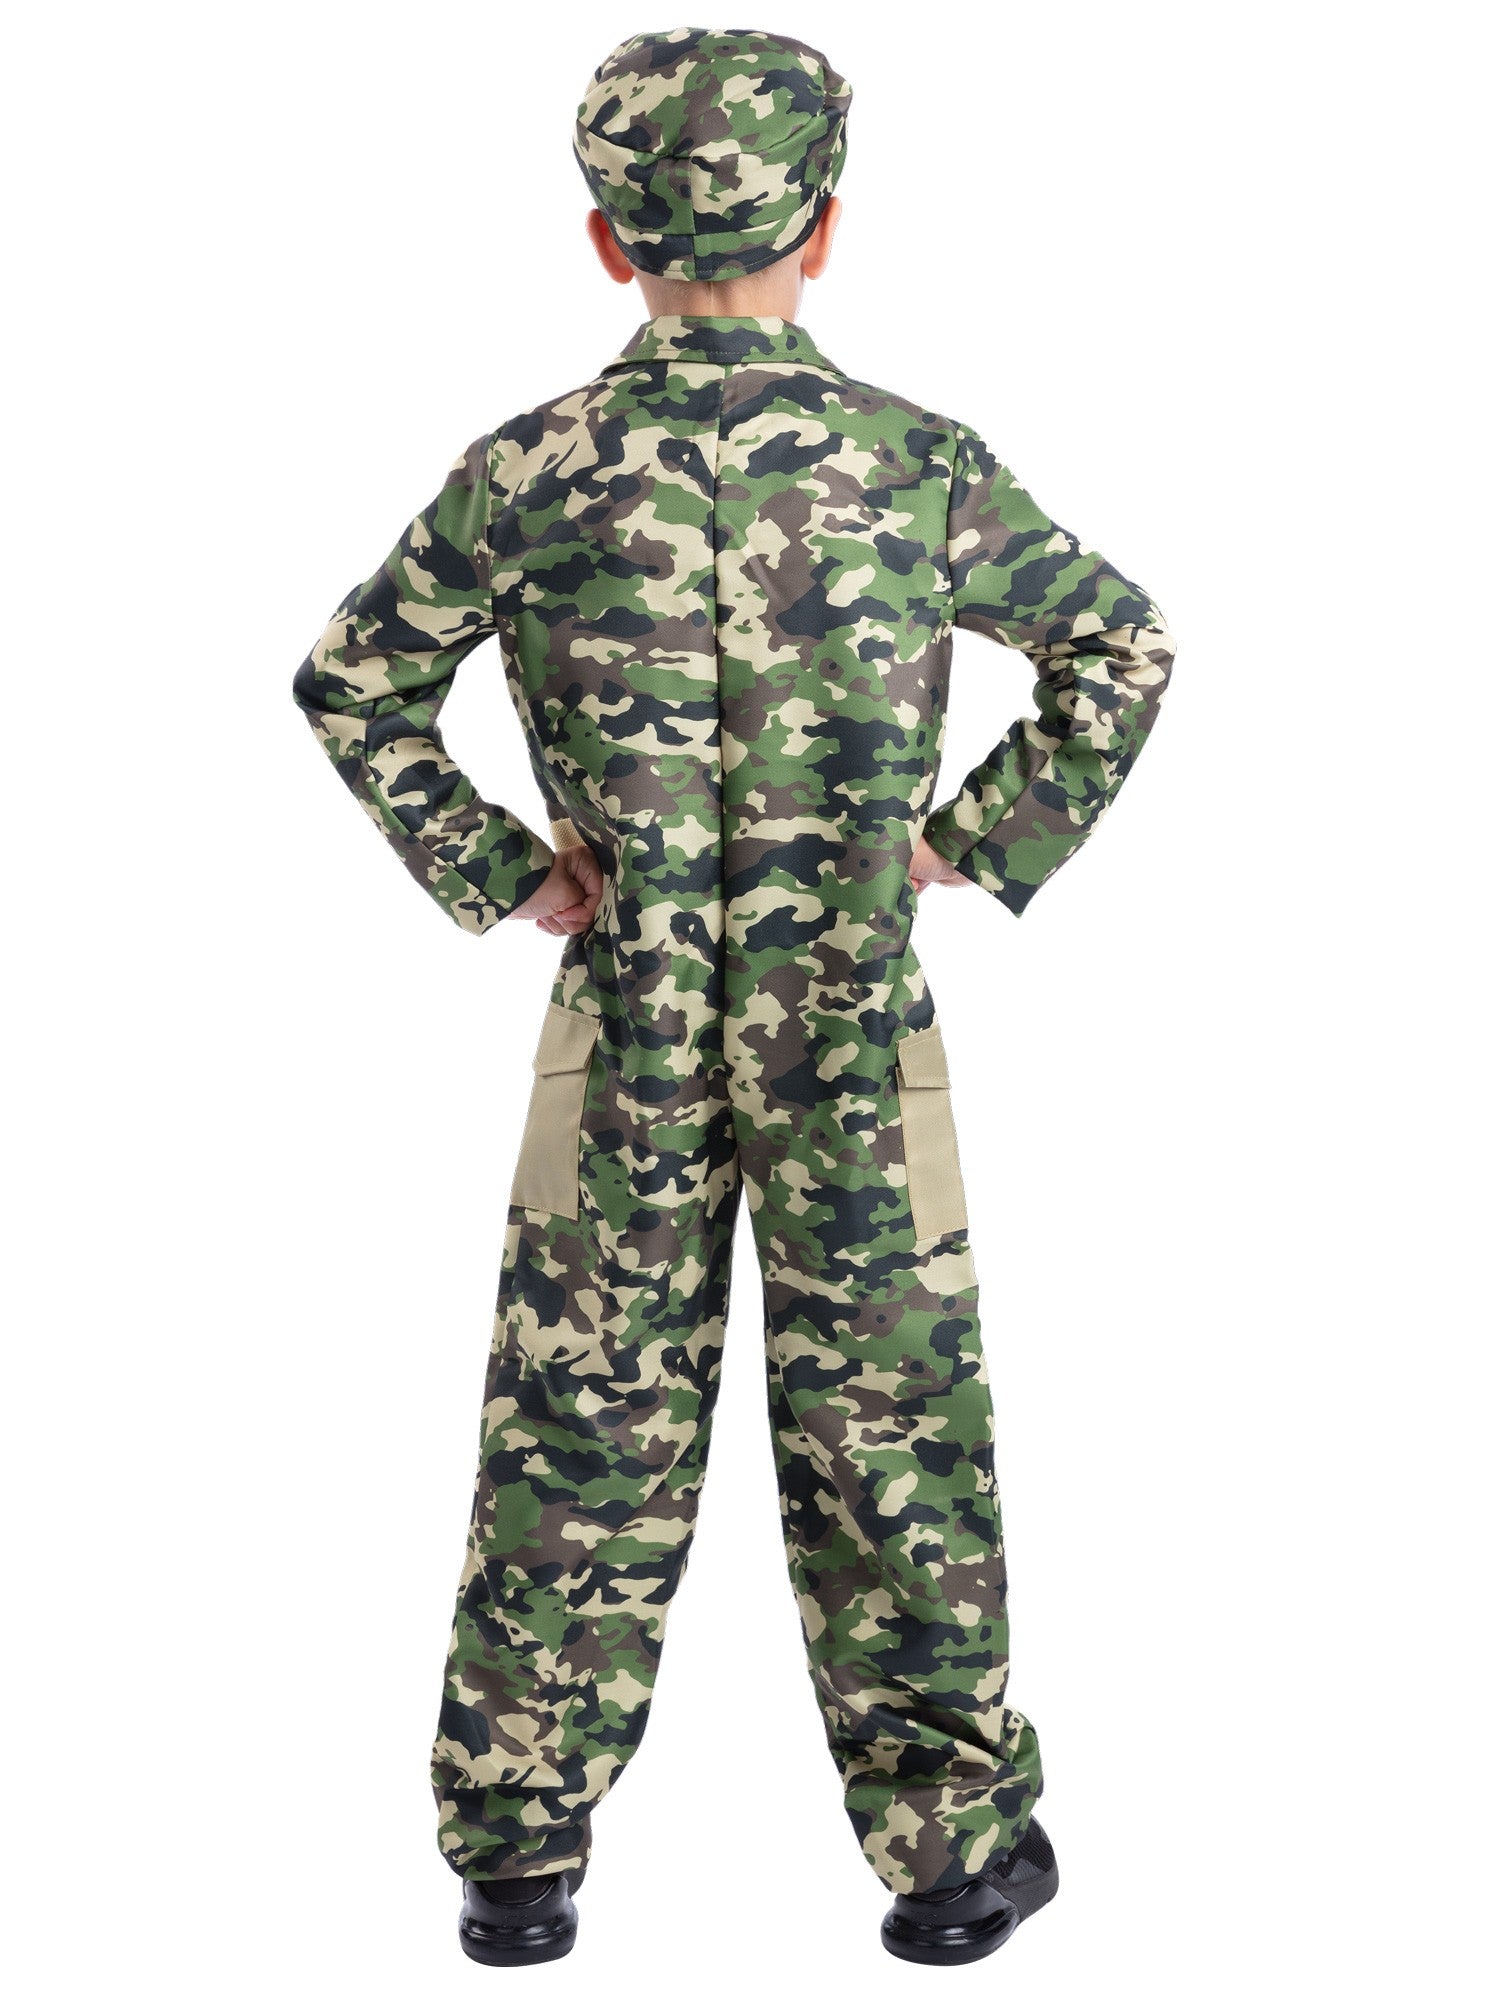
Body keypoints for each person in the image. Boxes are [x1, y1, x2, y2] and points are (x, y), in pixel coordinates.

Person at [292, 24, 1175, 1969]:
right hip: (852, 1022)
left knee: (578, 1415)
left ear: (605, 237)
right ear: (827, 223)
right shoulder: (916, 465)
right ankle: (949, 1857)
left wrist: (509, 870)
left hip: (619, 1019)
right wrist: (967, 839)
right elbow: (1119, 645)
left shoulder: (526, 470)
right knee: (894, 1418)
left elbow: (351, 680)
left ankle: (515, 1855)